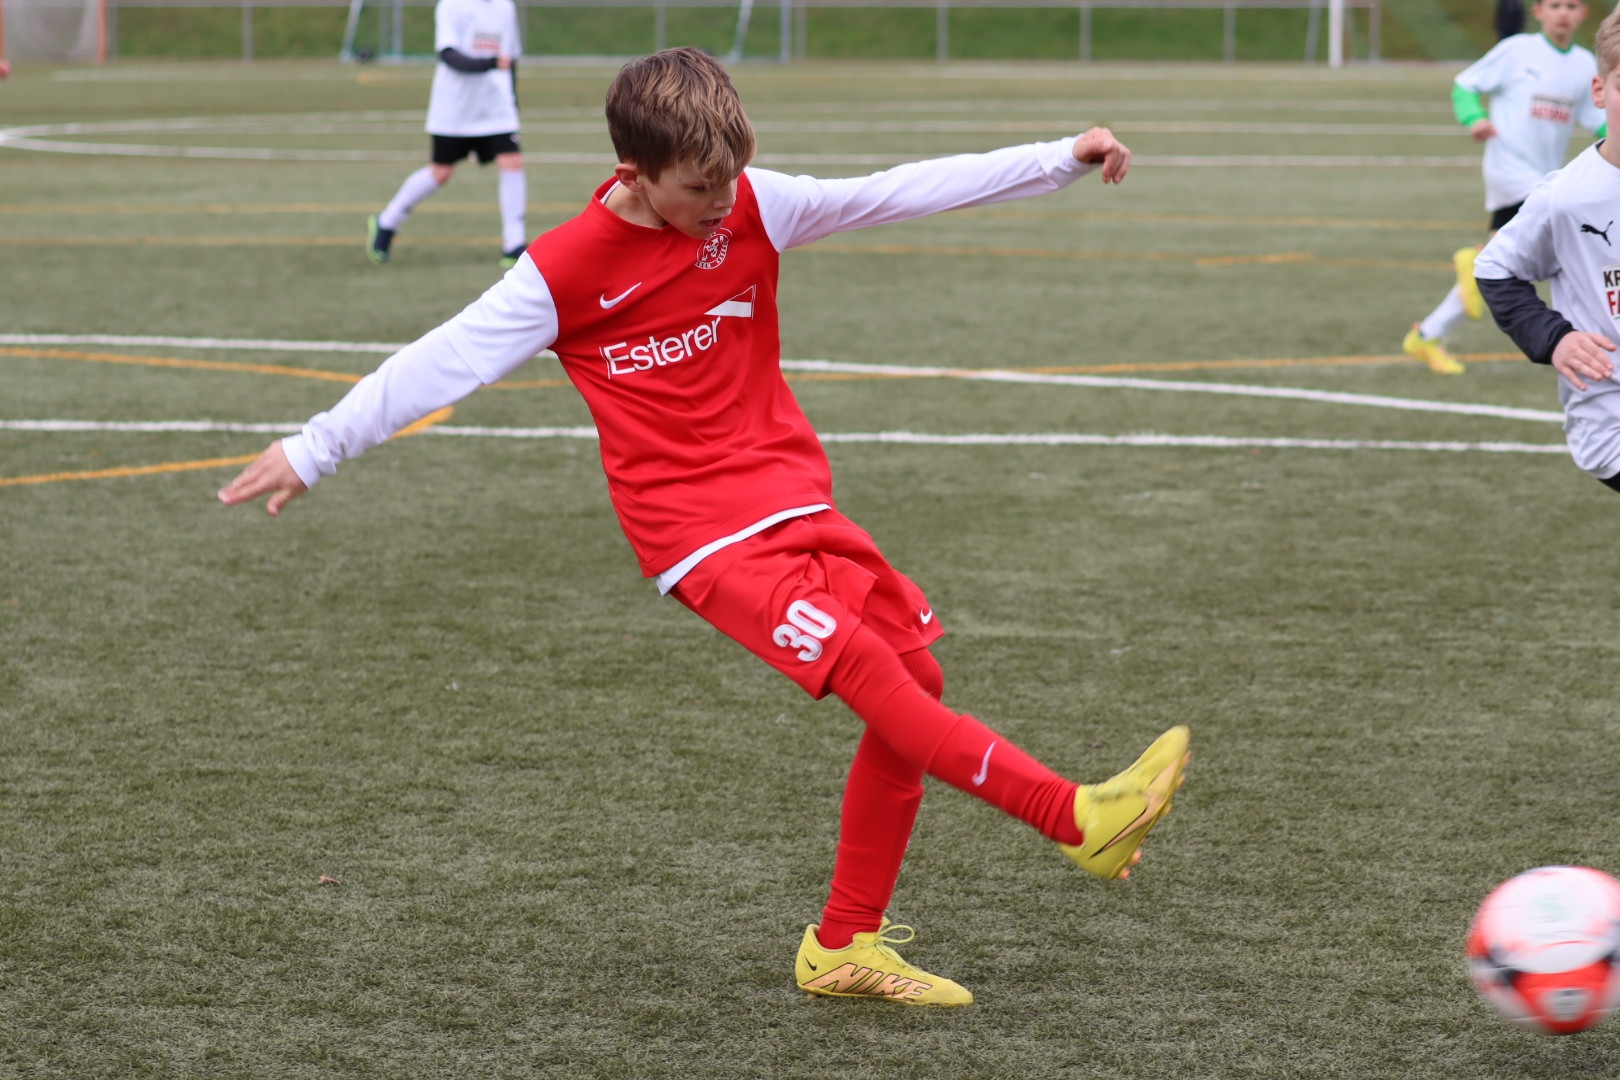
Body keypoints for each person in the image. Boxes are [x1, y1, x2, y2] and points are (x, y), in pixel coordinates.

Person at [222, 47, 1189, 1007]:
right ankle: (1072, 816)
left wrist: (1058, 157)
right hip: (697, 536)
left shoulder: (753, 203)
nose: (723, 202)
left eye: (731, 177)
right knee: (867, 668)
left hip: (793, 500)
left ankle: (843, 946)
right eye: (699, 188)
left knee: (917, 678)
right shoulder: (562, 271)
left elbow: (894, 191)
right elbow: (439, 362)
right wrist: (313, 449)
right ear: (634, 174)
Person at [1404, 0, 1602, 375]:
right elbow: (1465, 84)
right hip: (1510, 171)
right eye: (1555, 5)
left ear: (1583, 13)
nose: (1563, 12)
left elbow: (1598, 118)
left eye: (1571, 5)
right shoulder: (1516, 50)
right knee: (1565, 243)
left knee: (1501, 263)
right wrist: (1474, 118)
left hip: (1544, 177)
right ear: (1538, 11)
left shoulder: (1584, 64)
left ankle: (1427, 334)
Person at [1476, 5, 1620, 491]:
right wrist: (1555, 338)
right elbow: (1495, 269)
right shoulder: (1567, 197)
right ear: (1598, 92)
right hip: (1612, 420)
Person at [365, 0, 527, 269]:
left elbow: (510, 59)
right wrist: (489, 63)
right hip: (455, 108)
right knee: (440, 172)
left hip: (495, 107)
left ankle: (514, 244)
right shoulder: (452, 5)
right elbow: (448, 55)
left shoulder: (505, 6)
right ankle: (387, 222)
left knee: (512, 162)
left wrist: (513, 101)